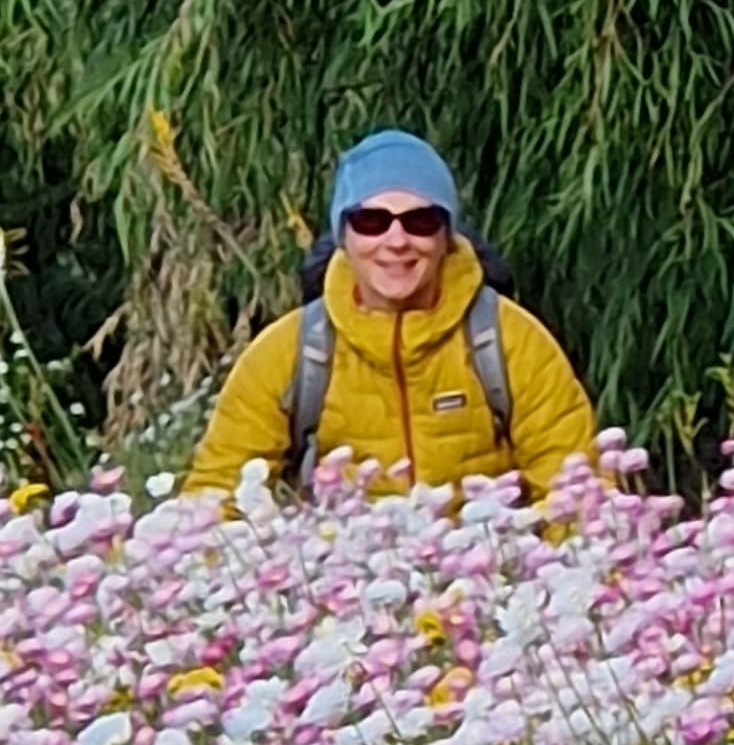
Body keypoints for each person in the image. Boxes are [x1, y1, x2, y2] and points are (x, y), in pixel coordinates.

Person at [184, 129, 597, 500]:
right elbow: (215, 499)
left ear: (446, 234)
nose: (396, 241)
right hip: (342, 579)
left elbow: (578, 495)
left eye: (420, 221)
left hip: (494, 574)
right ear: (343, 234)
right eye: (371, 221)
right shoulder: (291, 351)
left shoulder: (511, 340)